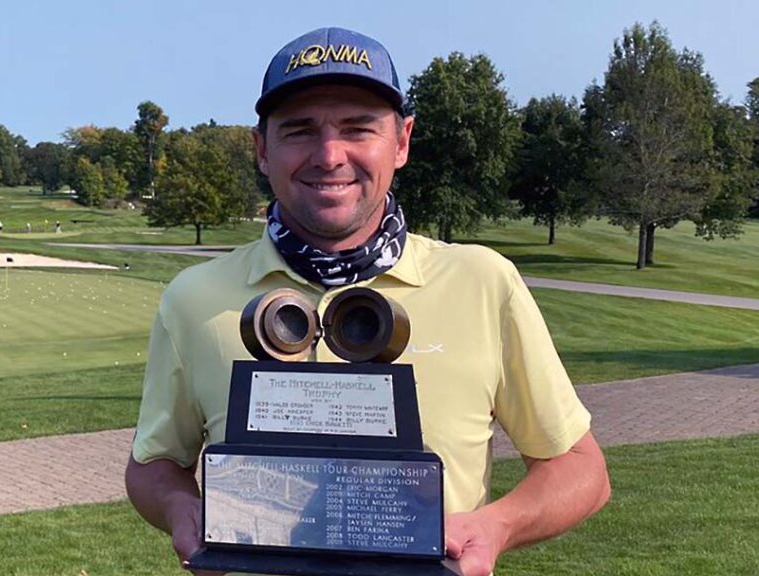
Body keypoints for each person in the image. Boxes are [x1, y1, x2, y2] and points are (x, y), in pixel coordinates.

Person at [126, 27, 610, 576]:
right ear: (263, 149)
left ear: (401, 142)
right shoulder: (194, 299)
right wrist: (179, 507)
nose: (330, 155)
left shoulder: (483, 282)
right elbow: (153, 463)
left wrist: (494, 526)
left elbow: (579, 468)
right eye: (300, 130)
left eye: (358, 128)